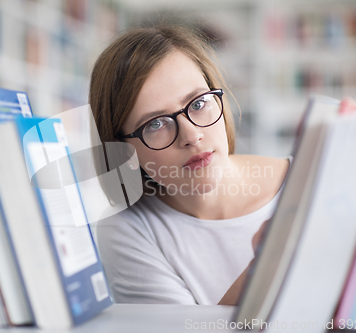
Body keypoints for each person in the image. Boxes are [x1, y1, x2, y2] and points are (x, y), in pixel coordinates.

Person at [89, 25, 290, 306]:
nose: (191, 136)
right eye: (155, 124)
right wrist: (266, 268)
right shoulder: (128, 229)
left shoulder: (307, 178)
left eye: (198, 103)